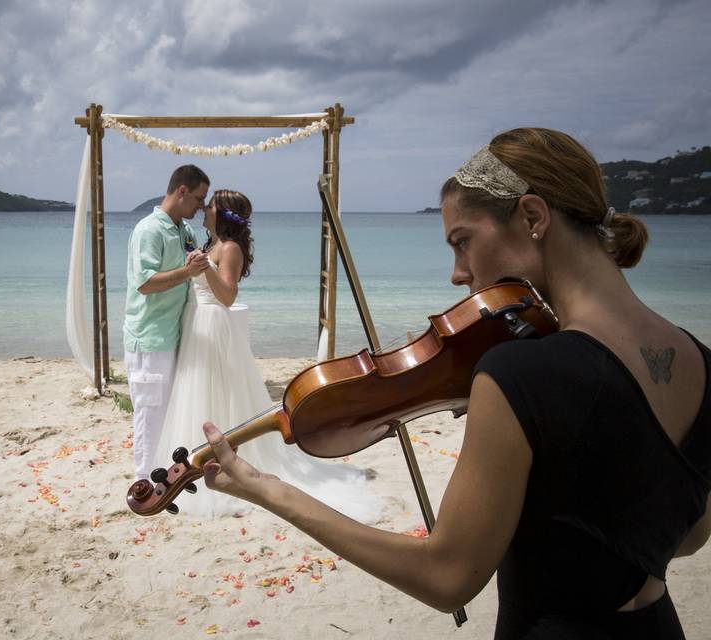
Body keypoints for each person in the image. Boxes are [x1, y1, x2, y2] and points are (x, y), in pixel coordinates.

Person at [198, 128, 711, 638]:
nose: (457, 274)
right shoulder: (702, 362)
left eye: (463, 243)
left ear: (533, 218)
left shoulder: (521, 374)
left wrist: (268, 490)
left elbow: (445, 578)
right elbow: (689, 537)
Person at [154, 189, 383, 522]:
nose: (204, 209)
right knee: (196, 391)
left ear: (224, 214)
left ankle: (221, 464)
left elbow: (228, 297)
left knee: (217, 393)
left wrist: (206, 271)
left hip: (213, 323)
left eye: (211, 206)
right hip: (196, 324)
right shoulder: (210, 245)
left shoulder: (230, 249)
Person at [124, 164, 211, 481]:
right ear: (182, 191)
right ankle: (145, 485)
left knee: (170, 415)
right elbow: (145, 283)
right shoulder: (149, 230)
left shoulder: (183, 230)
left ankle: (164, 480)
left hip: (175, 337)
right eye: (200, 199)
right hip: (150, 340)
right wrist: (188, 272)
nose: (202, 206)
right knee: (150, 418)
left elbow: (191, 268)